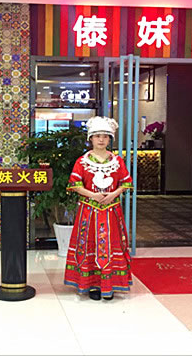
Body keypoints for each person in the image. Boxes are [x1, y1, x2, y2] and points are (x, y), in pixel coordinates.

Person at [64, 116, 133, 301]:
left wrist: (113, 194)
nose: (101, 140)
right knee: (89, 245)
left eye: (105, 136)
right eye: (97, 136)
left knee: (112, 245)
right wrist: (93, 195)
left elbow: (126, 183)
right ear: (91, 139)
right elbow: (74, 184)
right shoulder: (82, 161)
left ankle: (110, 285)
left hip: (111, 212)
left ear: (110, 139)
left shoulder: (117, 161)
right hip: (89, 212)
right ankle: (92, 285)